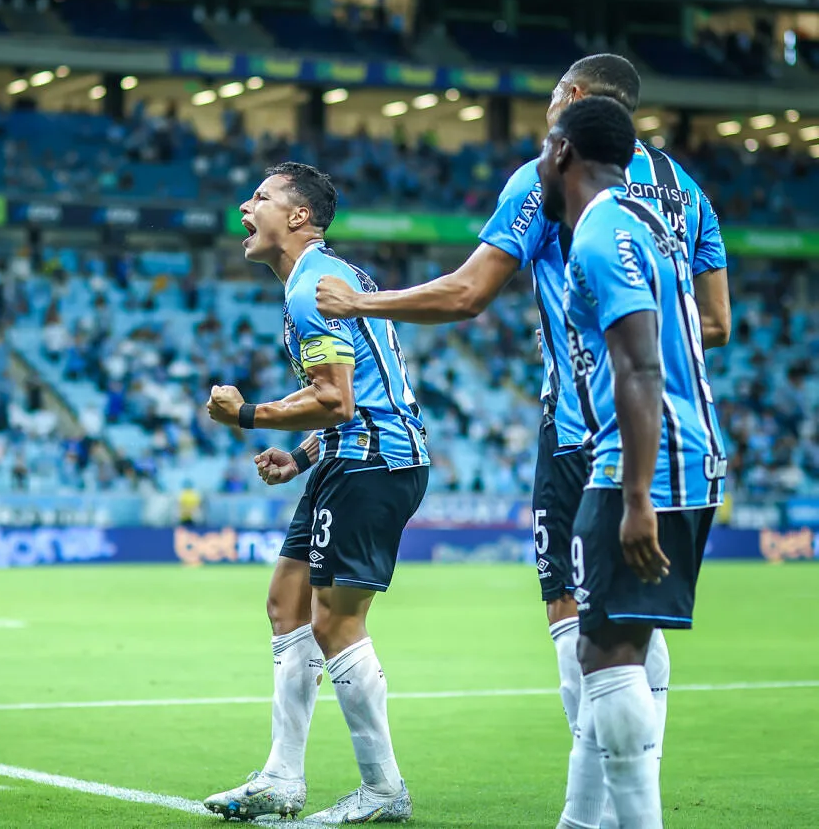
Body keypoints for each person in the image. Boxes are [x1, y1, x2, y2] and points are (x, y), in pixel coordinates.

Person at [313, 54, 729, 821]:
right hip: (676, 436)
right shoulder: (683, 194)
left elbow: (470, 292)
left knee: (586, 643)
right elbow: (717, 324)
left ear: (567, 108)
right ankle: (599, 809)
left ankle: (608, 812)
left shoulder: (562, 192)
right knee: (631, 632)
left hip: (588, 436)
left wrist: (362, 305)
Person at [202, 162, 429, 824]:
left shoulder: (312, 288)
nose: (246, 207)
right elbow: (351, 395)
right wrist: (300, 458)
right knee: (287, 603)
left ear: (298, 216)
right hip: (349, 457)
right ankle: (280, 776)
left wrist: (247, 415)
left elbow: (336, 399)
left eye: (262, 198)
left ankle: (384, 789)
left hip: (372, 462)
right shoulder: (330, 278)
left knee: (334, 620)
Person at [537, 96, 725, 829]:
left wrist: (637, 494)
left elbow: (641, 366)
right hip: (679, 454)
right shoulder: (647, 220)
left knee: (606, 650)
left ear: (562, 153)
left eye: (544, 151)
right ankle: (582, 822)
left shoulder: (600, 232)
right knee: (608, 645)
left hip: (641, 463)